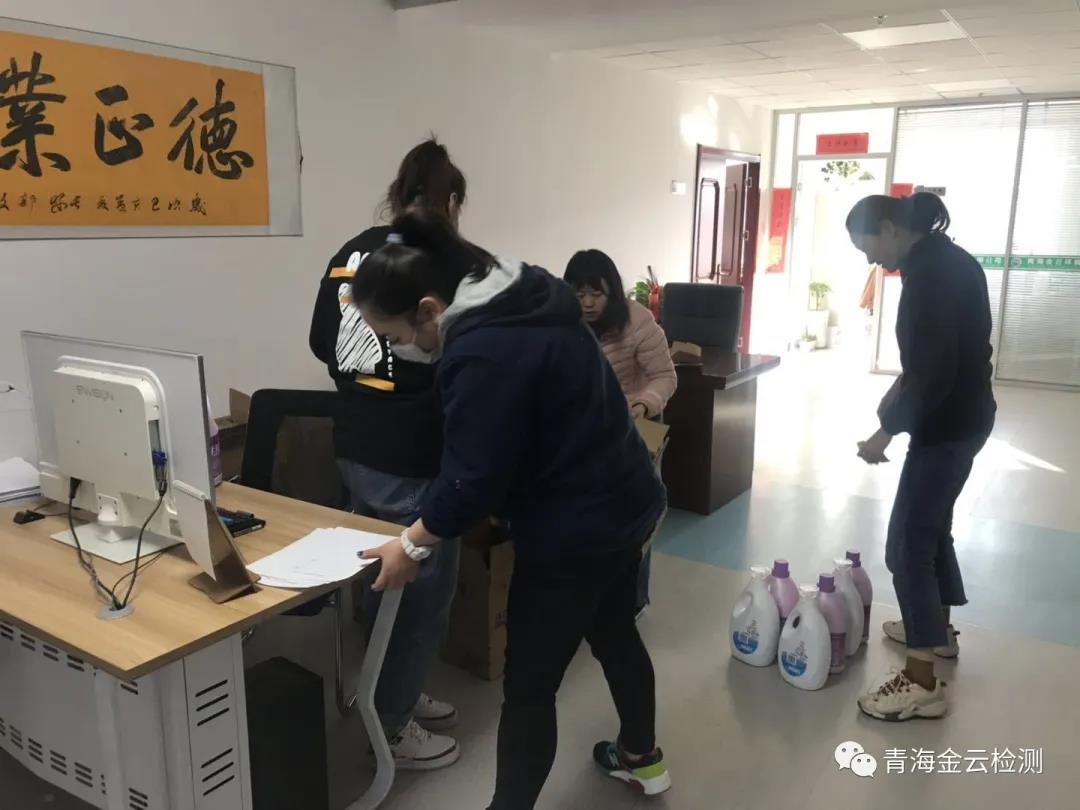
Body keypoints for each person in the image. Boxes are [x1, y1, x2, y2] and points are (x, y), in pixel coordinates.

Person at [353, 210, 671, 809]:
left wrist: (411, 544)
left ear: (429, 309)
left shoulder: (482, 350)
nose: (397, 350)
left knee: (528, 688)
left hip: (574, 530)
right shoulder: (522, 295)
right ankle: (641, 757)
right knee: (614, 631)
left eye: (393, 336)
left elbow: (471, 481)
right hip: (627, 500)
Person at [309, 139, 465, 770]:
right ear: (449, 201)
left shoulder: (351, 250)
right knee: (423, 591)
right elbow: (455, 359)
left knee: (382, 575)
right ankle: (394, 724)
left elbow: (321, 340)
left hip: (354, 442)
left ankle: (383, 692)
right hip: (410, 452)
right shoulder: (437, 262)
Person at [846, 192, 996, 723]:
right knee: (932, 531)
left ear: (890, 228)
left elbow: (933, 374)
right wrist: (897, 397)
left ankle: (921, 680)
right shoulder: (948, 259)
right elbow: (938, 360)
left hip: (946, 427)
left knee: (908, 545)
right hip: (968, 417)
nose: (870, 259)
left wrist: (883, 433)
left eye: (868, 246)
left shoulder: (929, 277)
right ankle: (937, 632)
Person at [564, 249, 676, 617]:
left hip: (638, 424)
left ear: (612, 291)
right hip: (588, 429)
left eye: (596, 294)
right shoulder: (564, 322)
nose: (587, 303)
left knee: (636, 516)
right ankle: (591, 596)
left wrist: (643, 404)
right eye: (579, 294)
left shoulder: (637, 321)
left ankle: (633, 600)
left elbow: (665, 377)